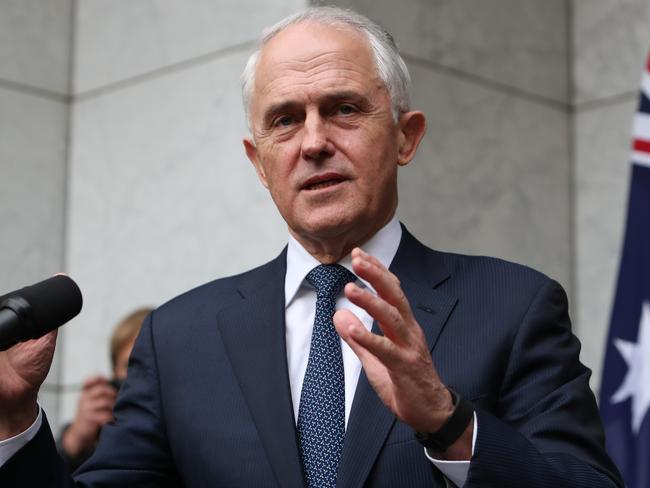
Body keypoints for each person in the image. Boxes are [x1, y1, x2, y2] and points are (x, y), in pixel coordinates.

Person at [0, 6, 623, 487]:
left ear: (407, 138)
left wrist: (448, 421)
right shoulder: (180, 337)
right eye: (285, 120)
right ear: (259, 161)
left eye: (344, 108)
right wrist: (16, 424)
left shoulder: (512, 306)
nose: (314, 141)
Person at [56, 308, 153, 472]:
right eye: (129, 366)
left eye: (147, 365)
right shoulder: (102, 434)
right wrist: (75, 442)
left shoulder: (184, 425)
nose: (138, 377)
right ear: (114, 374)